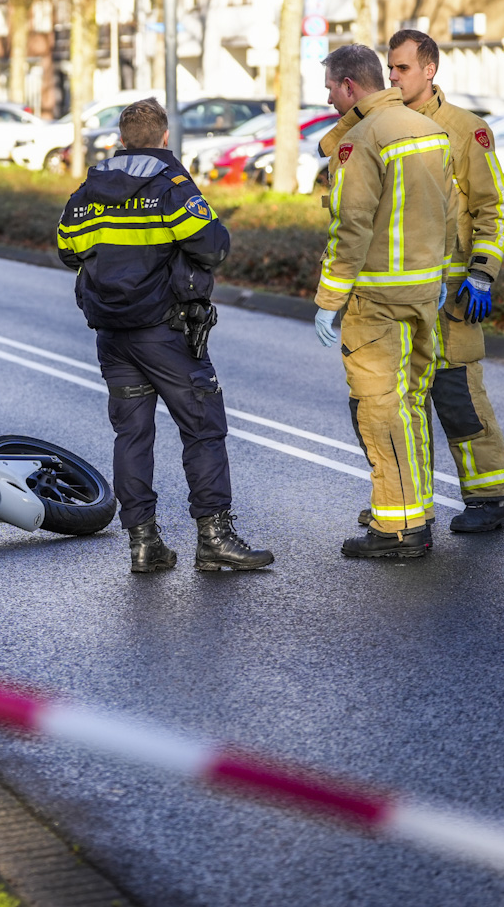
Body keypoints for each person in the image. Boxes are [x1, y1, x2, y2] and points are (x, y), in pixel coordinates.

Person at [56, 97, 273, 574]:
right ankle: (214, 539)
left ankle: (144, 544)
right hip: (166, 332)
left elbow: (67, 250)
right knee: (203, 428)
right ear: (164, 137)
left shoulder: (89, 189)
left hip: (112, 334)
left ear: (121, 138)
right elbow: (213, 247)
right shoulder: (172, 187)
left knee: (132, 435)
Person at [312, 44, 459, 560]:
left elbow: (349, 228)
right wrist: (442, 272)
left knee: (379, 411)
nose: (327, 96)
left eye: (330, 87)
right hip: (423, 292)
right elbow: (450, 211)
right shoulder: (427, 129)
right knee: (413, 405)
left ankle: (397, 530)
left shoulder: (361, 139)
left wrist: (330, 298)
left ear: (350, 86)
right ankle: (414, 509)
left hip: (376, 297)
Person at [384, 30, 504, 533]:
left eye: (402, 69)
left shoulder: (465, 130)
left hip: (452, 298)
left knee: (458, 394)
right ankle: (407, 503)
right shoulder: (385, 127)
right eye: (390, 69)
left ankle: (489, 498)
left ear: (429, 70)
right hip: (399, 294)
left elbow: (494, 207)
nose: (393, 77)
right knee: (401, 403)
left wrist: (482, 274)